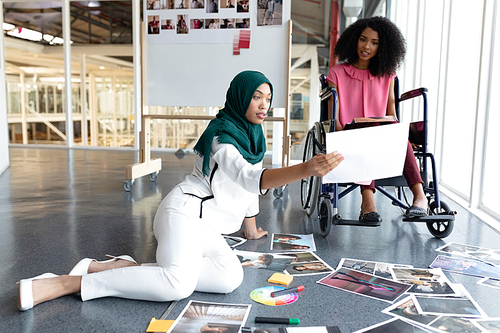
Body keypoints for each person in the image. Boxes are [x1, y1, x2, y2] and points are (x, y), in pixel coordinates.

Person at [17, 70, 344, 311]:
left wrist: (251, 228)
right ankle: (68, 282)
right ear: (241, 96)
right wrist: (305, 169)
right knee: (178, 284)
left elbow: (246, 190)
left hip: (206, 228)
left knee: (230, 278)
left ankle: (121, 267)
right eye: (257, 96)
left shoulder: (254, 137)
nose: (263, 104)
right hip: (183, 213)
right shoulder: (222, 136)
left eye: (268, 98)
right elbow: (247, 177)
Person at [326, 16, 428, 223]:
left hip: (381, 133)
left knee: (395, 133)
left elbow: (392, 114)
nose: (367, 46)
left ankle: (419, 196)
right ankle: (368, 199)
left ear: (383, 47)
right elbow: (333, 119)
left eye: (375, 42)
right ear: (354, 39)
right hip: (348, 134)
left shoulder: (387, 74)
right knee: (368, 134)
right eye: (363, 39)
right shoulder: (336, 73)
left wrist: (402, 137)